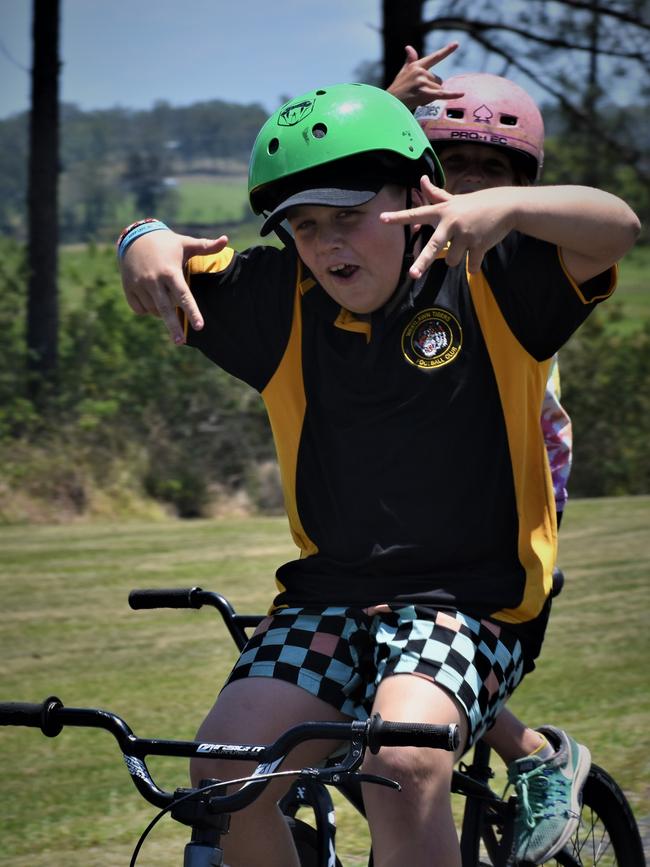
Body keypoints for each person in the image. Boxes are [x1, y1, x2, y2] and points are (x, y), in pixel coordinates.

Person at [118, 83, 640, 867]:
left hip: (475, 602)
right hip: (328, 595)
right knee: (220, 773)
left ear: (411, 193)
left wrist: (505, 212)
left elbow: (619, 228)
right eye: (305, 225)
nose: (328, 245)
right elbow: (158, 261)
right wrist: (140, 236)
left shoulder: (493, 280)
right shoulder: (278, 299)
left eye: (350, 216)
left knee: (401, 765)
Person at [410, 69, 581, 860]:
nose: (469, 189)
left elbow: (609, 228)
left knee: (416, 640)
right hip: (418, 497)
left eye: (494, 173)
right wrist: (388, 102)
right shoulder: (409, 264)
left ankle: (535, 755)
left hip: (508, 497)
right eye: (453, 168)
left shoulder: (525, 278)